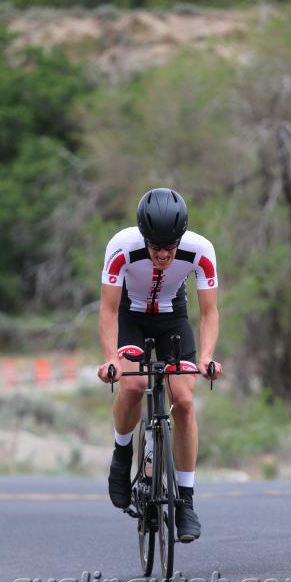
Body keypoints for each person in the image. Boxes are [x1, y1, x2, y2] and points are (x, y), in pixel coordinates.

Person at [97, 187, 222, 542]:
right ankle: (122, 455)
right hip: (131, 318)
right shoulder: (121, 246)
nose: (165, 254)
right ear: (143, 236)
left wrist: (208, 356)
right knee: (134, 384)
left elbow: (210, 311)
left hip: (173, 319)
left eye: (171, 246)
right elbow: (107, 309)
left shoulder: (201, 250)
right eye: (156, 247)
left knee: (183, 400)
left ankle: (185, 500)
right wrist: (110, 359)